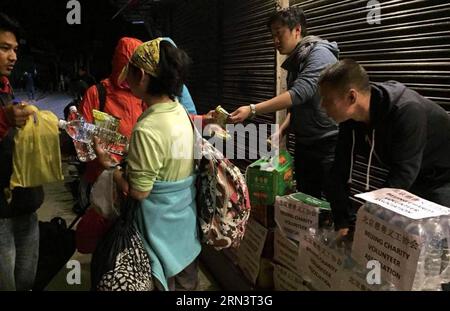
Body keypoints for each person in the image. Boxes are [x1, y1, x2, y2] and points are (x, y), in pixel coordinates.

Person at [94, 38, 201, 291]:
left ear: (141, 75)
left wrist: (110, 167)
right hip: (185, 228)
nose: (126, 81)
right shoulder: (179, 112)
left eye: (129, 73)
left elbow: (140, 192)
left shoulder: (147, 127)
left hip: (158, 234)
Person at [319, 59, 450, 238]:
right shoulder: (350, 119)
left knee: (432, 240)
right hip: (413, 173)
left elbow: (402, 176)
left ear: (351, 97)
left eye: (327, 100)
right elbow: (339, 170)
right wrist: (342, 221)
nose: (322, 106)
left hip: (441, 178)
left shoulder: (406, 111)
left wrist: (364, 220)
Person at [229, 7, 339, 200]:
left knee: (332, 202)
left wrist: (253, 109)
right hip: (305, 143)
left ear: (297, 30)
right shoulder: (297, 60)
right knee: (307, 200)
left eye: (279, 34)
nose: (275, 41)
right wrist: (283, 129)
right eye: (272, 36)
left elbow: (299, 94)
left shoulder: (320, 54)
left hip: (328, 144)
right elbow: (297, 108)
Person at [0, 12, 42, 291]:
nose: (13, 56)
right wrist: (4, 119)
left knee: (26, 281)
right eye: (4, 49)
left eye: (15, 49)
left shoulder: (6, 88)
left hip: (26, 204)